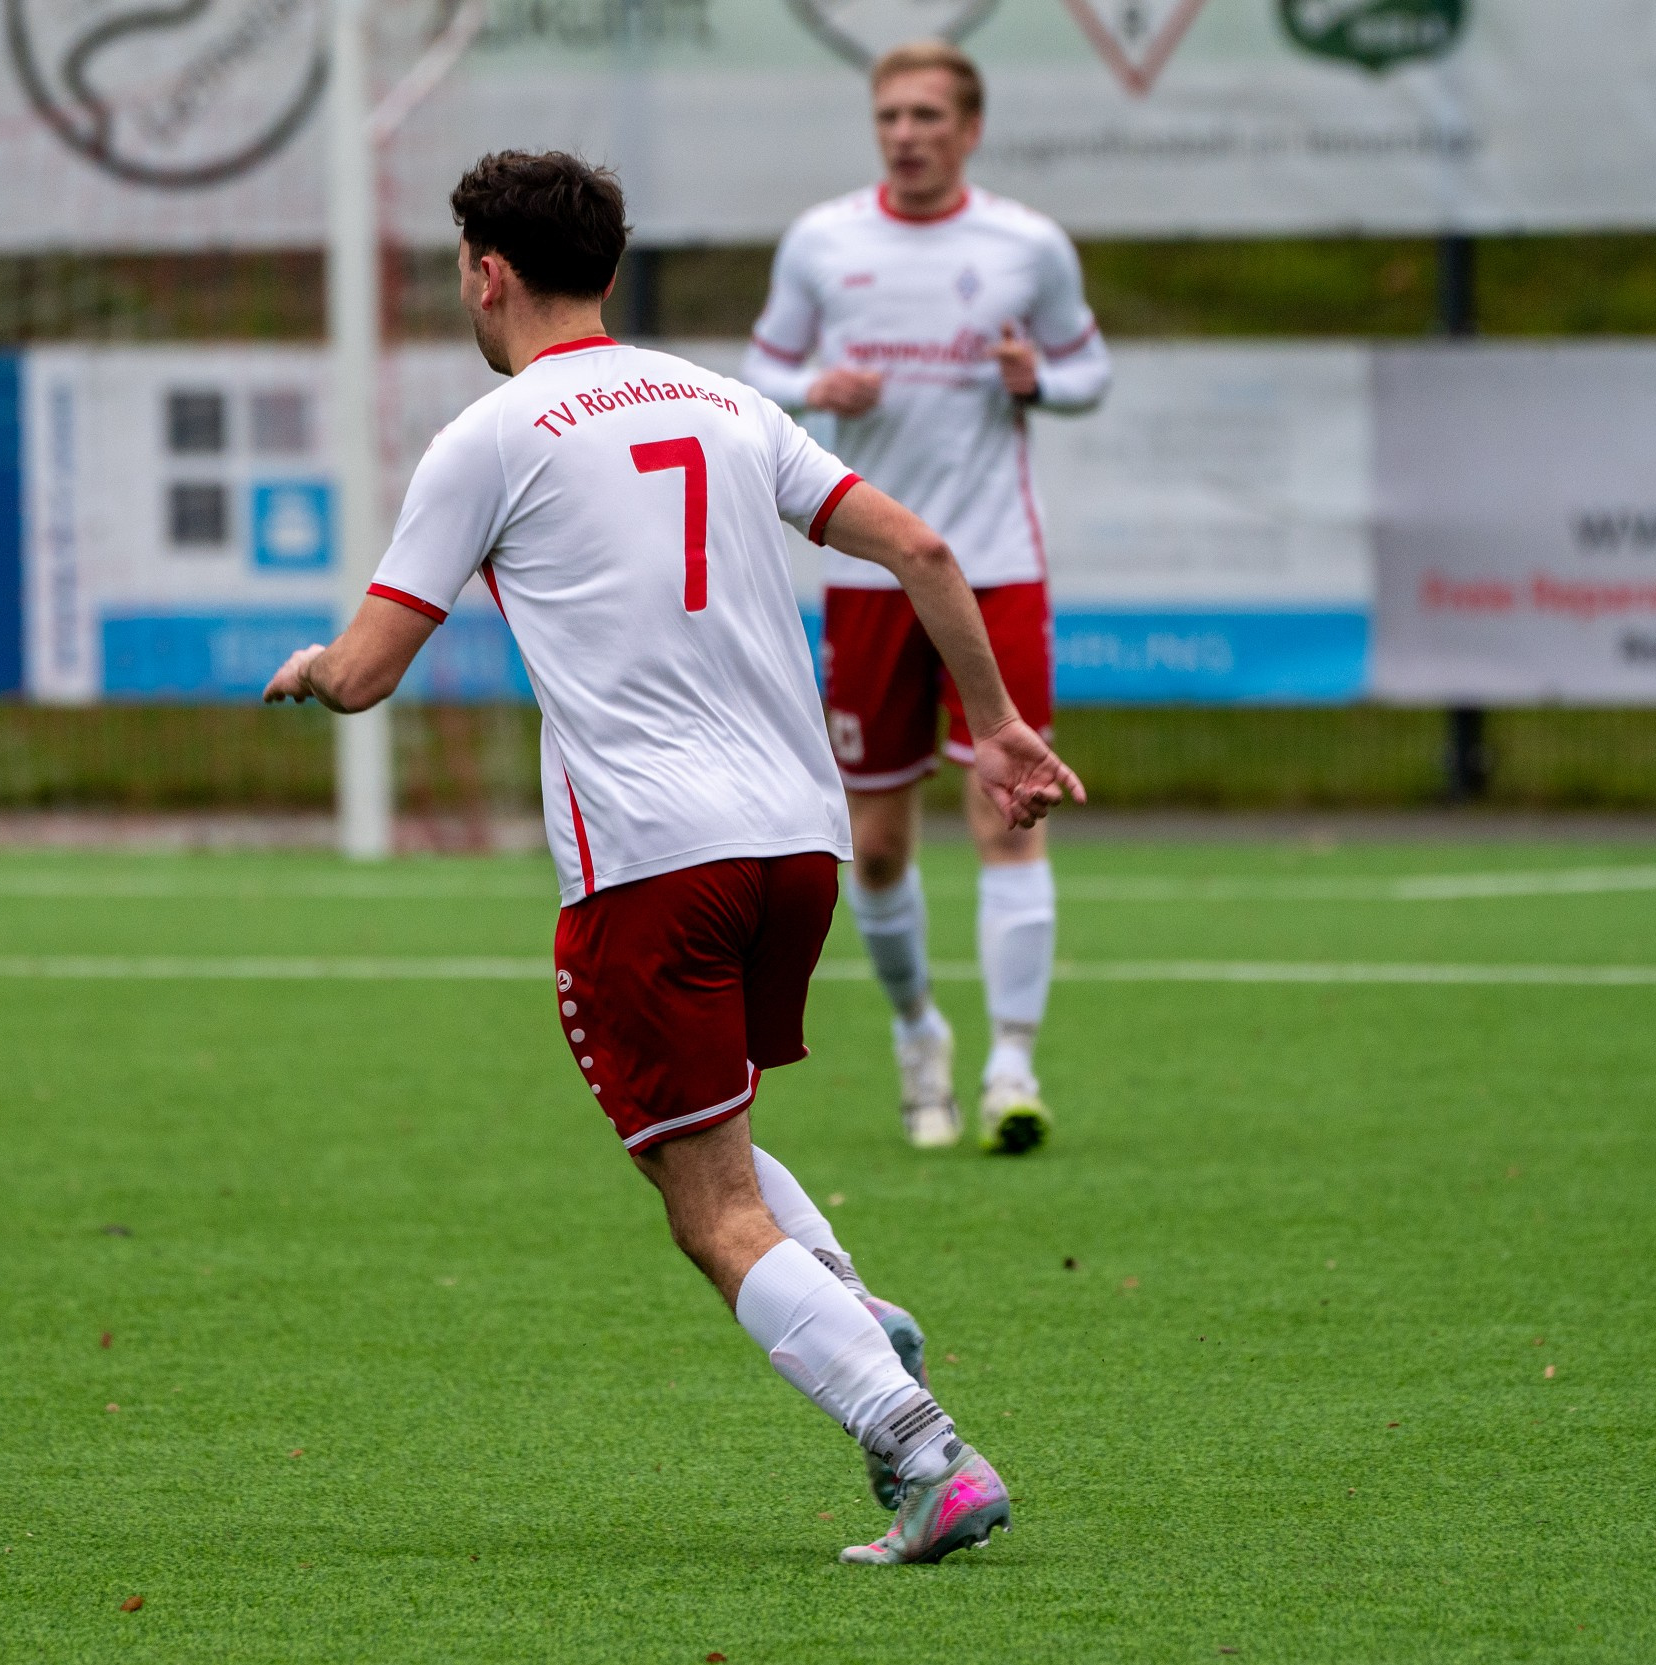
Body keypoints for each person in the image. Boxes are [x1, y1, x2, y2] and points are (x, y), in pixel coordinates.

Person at [263, 151, 1084, 1565]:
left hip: (652, 860)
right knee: (714, 1137)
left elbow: (374, 666)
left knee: (709, 1211)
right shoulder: (724, 401)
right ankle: (848, 1309)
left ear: (488, 274)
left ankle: (920, 1448)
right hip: (800, 850)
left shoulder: (491, 436)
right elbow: (927, 551)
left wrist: (317, 670)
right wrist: (998, 723)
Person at [741, 41, 1113, 1154]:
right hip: (867, 576)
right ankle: (919, 1036)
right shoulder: (822, 241)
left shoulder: (1026, 245)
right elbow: (759, 370)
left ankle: (1011, 1067)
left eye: (927, 116)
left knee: (1010, 809)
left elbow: (1089, 368)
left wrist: (1040, 381)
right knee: (877, 846)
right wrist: (814, 386)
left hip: (993, 568)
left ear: (970, 129)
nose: (905, 134)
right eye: (890, 115)